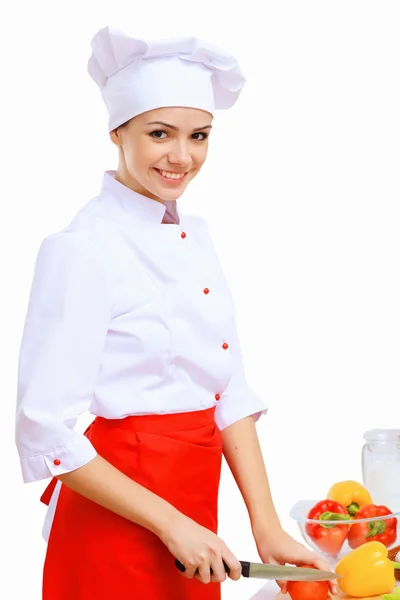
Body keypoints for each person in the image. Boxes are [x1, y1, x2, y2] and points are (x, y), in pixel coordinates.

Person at [15, 26, 336, 600]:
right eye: (159, 134)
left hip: (193, 509)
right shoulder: (82, 249)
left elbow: (227, 391)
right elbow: (46, 429)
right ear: (117, 131)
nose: (182, 156)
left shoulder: (196, 236)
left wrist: (265, 527)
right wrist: (170, 523)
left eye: (200, 135)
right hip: (120, 517)